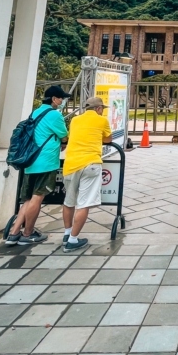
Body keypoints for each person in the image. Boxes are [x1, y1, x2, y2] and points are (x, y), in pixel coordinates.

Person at [5, 85, 70, 245]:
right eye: (61, 98)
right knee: (37, 197)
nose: (62, 101)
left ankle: (13, 234)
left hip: (30, 161)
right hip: (45, 162)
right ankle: (28, 234)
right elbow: (64, 135)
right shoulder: (54, 115)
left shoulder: (35, 112)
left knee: (27, 199)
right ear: (54, 99)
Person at [61, 96, 112, 252]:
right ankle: (73, 240)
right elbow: (108, 139)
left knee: (69, 202)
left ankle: (67, 233)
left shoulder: (75, 120)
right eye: (102, 108)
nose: (102, 111)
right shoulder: (102, 121)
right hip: (90, 164)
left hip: (70, 165)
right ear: (97, 109)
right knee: (84, 204)